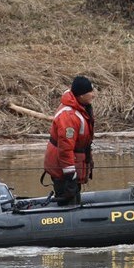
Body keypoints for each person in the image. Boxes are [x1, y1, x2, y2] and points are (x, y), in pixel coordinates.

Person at [44, 75, 96, 205]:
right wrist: (70, 175)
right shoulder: (69, 116)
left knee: (75, 199)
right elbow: (65, 149)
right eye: (90, 92)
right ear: (81, 95)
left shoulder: (80, 107)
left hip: (74, 163)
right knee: (68, 202)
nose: (93, 95)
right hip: (63, 168)